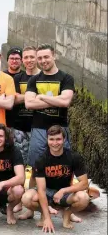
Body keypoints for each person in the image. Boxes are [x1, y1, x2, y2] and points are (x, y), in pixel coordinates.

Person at [21, 43, 75, 220]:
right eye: (40, 58)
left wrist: (42, 97)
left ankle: (68, 208)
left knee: (65, 168)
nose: (43, 61)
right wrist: (55, 100)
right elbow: (29, 104)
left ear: (54, 56)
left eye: (46, 57)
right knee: (35, 169)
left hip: (61, 130)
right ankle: (30, 209)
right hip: (39, 129)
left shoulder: (66, 78)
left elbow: (66, 102)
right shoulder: (34, 80)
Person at [21, 125, 90, 232]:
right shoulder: (41, 159)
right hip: (47, 191)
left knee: (84, 198)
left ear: (64, 139)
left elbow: (84, 184)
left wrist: (64, 190)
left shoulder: (74, 157)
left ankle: (67, 213)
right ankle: (45, 213)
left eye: (58, 139)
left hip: (66, 193)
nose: (55, 143)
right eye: (51, 139)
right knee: (26, 198)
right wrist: (48, 219)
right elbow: (41, 190)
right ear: (47, 140)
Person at [0, 46, 40, 215]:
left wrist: (22, 98)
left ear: (37, 58)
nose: (29, 60)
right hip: (19, 128)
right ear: (22, 60)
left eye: (32, 57)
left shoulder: (42, 77)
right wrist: (34, 97)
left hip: (38, 126)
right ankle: (19, 200)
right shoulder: (17, 78)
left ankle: (33, 201)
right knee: (20, 165)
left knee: (37, 165)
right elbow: (12, 99)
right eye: (26, 57)